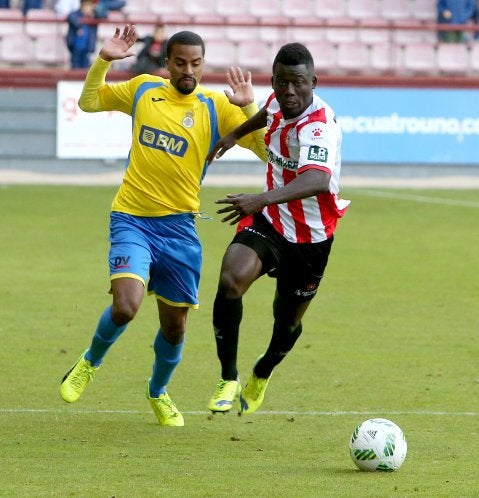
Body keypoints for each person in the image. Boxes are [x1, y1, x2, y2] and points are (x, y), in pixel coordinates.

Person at [59, 25, 266, 427]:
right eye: (180, 63)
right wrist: (103, 60)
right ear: (167, 63)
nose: (188, 71)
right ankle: (89, 362)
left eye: (196, 63)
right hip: (132, 219)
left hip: (180, 230)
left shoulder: (216, 106)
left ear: (203, 64)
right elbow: (89, 101)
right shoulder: (143, 90)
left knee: (174, 329)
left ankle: (157, 391)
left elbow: (263, 151)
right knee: (126, 306)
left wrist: (247, 108)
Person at [206, 42, 350, 415]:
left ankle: (264, 370)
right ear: (273, 80)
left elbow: (317, 179)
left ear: (313, 82)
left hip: (311, 238)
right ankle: (228, 378)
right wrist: (234, 135)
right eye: (282, 82)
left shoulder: (318, 127)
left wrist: (260, 199)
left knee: (286, 322)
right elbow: (266, 112)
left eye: (298, 83)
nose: (289, 91)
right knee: (231, 280)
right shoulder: (277, 100)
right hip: (270, 222)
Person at [66, 0, 98, 68]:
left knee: (85, 67)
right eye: (86, 5)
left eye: (89, 5)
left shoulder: (94, 15)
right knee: (75, 66)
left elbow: (104, 15)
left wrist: (94, 12)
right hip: (76, 47)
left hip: (87, 47)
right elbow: (70, 17)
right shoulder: (76, 14)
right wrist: (79, 27)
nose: (88, 8)